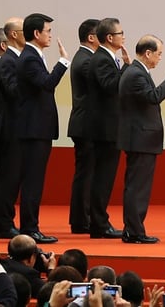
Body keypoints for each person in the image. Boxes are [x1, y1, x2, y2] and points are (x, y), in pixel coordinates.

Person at [15, 13, 69, 244]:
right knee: (32, 180)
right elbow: (47, 84)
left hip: (38, 128)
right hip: (33, 129)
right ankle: (30, 228)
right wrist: (63, 63)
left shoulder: (34, 55)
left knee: (35, 179)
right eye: (48, 31)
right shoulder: (29, 58)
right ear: (36, 33)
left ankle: (31, 226)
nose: (50, 35)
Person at [118, 35, 165, 244]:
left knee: (135, 186)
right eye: (159, 53)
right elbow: (153, 97)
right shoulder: (136, 74)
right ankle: (135, 232)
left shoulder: (136, 71)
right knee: (137, 187)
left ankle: (131, 229)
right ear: (148, 53)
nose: (160, 58)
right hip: (140, 139)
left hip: (140, 138)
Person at [86, 18, 129, 239]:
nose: (124, 37)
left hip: (109, 126)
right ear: (110, 37)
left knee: (104, 176)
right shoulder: (102, 59)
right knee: (102, 177)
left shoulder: (106, 57)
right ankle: (99, 224)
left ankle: (100, 221)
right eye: (121, 33)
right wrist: (126, 69)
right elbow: (111, 86)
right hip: (104, 128)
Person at [0, 18, 23, 239]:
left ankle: (1, 221)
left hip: (8, 126)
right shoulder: (8, 61)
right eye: (23, 31)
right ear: (11, 36)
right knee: (6, 178)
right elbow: (14, 92)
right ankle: (2, 223)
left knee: (6, 178)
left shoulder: (8, 60)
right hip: (6, 127)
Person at [67, 18, 99, 234]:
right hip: (86, 125)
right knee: (86, 175)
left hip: (86, 124)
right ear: (91, 37)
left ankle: (81, 218)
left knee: (86, 174)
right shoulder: (86, 60)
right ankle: (81, 220)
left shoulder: (86, 57)